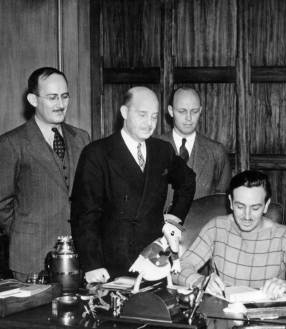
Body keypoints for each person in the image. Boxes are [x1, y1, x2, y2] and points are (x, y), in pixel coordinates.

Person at [71, 86, 195, 283]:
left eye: (154, 117)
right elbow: (85, 215)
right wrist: (92, 264)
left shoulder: (162, 150)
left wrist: (174, 218)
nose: (149, 123)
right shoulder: (97, 153)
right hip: (111, 262)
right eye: (142, 115)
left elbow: (188, 181)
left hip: (154, 258)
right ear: (124, 113)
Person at [0, 67, 90, 280]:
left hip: (77, 256)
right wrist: (24, 233)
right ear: (33, 100)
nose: (60, 104)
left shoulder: (81, 138)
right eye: (52, 97)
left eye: (64, 96)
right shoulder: (12, 143)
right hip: (31, 258)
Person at [175, 170, 286, 299]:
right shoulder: (216, 227)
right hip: (222, 317)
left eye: (255, 208)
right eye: (240, 207)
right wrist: (202, 281)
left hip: (267, 319)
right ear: (230, 203)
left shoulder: (284, 236)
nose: (246, 216)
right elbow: (179, 269)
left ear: (266, 205)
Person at [160, 87, 231, 199]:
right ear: (171, 111)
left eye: (194, 111)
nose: (189, 118)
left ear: (201, 111)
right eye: (182, 111)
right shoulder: (153, 147)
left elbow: (221, 201)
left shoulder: (216, 151)